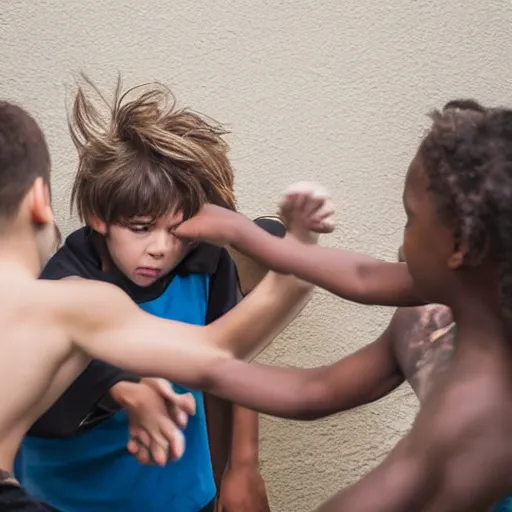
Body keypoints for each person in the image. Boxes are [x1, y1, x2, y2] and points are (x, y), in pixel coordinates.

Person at [176, 99, 512, 511]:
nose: (401, 243)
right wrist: (242, 233)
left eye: (409, 218)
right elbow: (316, 388)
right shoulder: (433, 310)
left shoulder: (479, 410)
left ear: (459, 246)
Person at [0, 99, 333, 510]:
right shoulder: (64, 284)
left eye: (178, 232)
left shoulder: (203, 258)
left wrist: (241, 466)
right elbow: (39, 398)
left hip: (183, 497)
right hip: (66, 501)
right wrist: (121, 390)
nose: (160, 248)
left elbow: (229, 357)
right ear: (97, 214)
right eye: (140, 229)